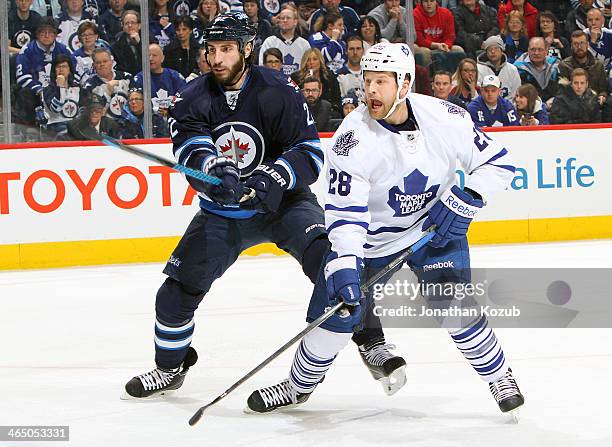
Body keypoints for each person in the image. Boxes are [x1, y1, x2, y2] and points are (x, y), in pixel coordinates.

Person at [122, 13, 407, 399]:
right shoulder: (191, 98)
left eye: (226, 49)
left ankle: (371, 342)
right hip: (222, 215)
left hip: (285, 206)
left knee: (335, 266)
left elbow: (308, 152)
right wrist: (216, 170)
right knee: (173, 295)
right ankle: (170, 367)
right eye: (212, 50)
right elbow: (191, 148)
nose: (217, 58)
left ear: (246, 49)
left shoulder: (278, 91)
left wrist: (272, 177)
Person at [245, 42, 524, 417]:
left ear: (405, 84)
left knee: (454, 305)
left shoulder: (446, 117)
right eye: (367, 81)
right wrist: (344, 261)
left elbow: (499, 164)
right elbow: (345, 214)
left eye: (381, 81)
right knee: (339, 314)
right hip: (372, 242)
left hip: (432, 229)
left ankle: (499, 376)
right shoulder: (351, 140)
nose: (371, 91)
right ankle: (297, 387)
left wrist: (467, 197)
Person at [15, 17, 76, 126]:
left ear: (56, 34)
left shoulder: (64, 50)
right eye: (43, 32)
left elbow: (74, 72)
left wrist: (65, 86)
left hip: (59, 89)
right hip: (36, 93)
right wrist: (39, 90)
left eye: (50, 32)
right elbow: (22, 77)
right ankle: (30, 128)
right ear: (37, 34)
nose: (47, 35)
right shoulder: (27, 50)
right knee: (24, 93)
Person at [134, 43, 186, 117]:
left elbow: (185, 99)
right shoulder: (139, 79)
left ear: (162, 58)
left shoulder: (175, 76)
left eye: (154, 55)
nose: (150, 59)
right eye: (148, 56)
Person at [413, 0, 466, 73]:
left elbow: (450, 36)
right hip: (423, 46)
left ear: (436, 2)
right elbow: (419, 39)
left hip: (442, 45)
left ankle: (456, 78)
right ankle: (428, 79)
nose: (429, 4)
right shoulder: (415, 14)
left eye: (431, 1)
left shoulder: (446, 13)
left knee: (458, 50)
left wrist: (446, 45)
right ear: (421, 2)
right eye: (426, 1)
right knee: (425, 52)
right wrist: (436, 45)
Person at [559, 30, 608, 105]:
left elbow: (603, 89)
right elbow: (563, 91)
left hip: (594, 104)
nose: (579, 47)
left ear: (587, 45)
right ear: (571, 46)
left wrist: (602, 96)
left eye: (582, 43)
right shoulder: (564, 65)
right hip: (572, 105)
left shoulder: (598, 65)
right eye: (576, 44)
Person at [258, 6, 311, 76]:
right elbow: (262, 67)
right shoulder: (270, 42)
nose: (285, 20)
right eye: (282, 18)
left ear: (295, 22)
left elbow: (309, 68)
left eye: (288, 18)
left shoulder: (304, 44)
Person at [83, 47, 132, 120]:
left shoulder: (127, 77)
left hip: (129, 122)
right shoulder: (89, 86)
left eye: (105, 61)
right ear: (94, 66)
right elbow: (95, 113)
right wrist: (108, 92)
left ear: (112, 62)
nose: (102, 64)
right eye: (98, 62)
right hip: (105, 125)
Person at [42, 53, 83, 137]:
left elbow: (84, 108)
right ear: (54, 70)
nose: (61, 69)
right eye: (58, 67)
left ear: (69, 69)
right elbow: (56, 108)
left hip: (75, 125)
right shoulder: (48, 89)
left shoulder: (77, 88)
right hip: (56, 125)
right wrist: (60, 87)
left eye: (64, 66)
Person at [291, 48, 342, 112]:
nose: (311, 62)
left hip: (327, 112)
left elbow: (337, 100)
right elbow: (292, 100)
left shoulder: (330, 77)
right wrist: (305, 83)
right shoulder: (295, 78)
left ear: (320, 61)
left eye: (315, 59)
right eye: (308, 60)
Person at [514, 36, 560, 103]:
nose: (536, 53)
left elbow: (560, 90)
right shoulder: (517, 68)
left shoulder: (555, 66)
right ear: (528, 50)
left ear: (546, 51)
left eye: (540, 49)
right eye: (533, 49)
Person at [477, 35, 522, 100]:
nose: (493, 51)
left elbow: (516, 92)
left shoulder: (512, 69)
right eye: (489, 49)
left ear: (502, 51)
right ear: (486, 52)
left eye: (496, 48)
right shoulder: (478, 69)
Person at [308, 10, 348, 75]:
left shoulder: (341, 43)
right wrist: (334, 39)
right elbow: (326, 58)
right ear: (330, 26)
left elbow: (343, 63)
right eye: (340, 25)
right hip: (322, 76)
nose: (342, 28)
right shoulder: (316, 38)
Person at [111, 10, 143, 75]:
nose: (130, 25)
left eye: (133, 23)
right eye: (127, 23)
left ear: (139, 25)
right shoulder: (116, 45)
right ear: (122, 26)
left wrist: (139, 43)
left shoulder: (148, 39)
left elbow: (150, 59)